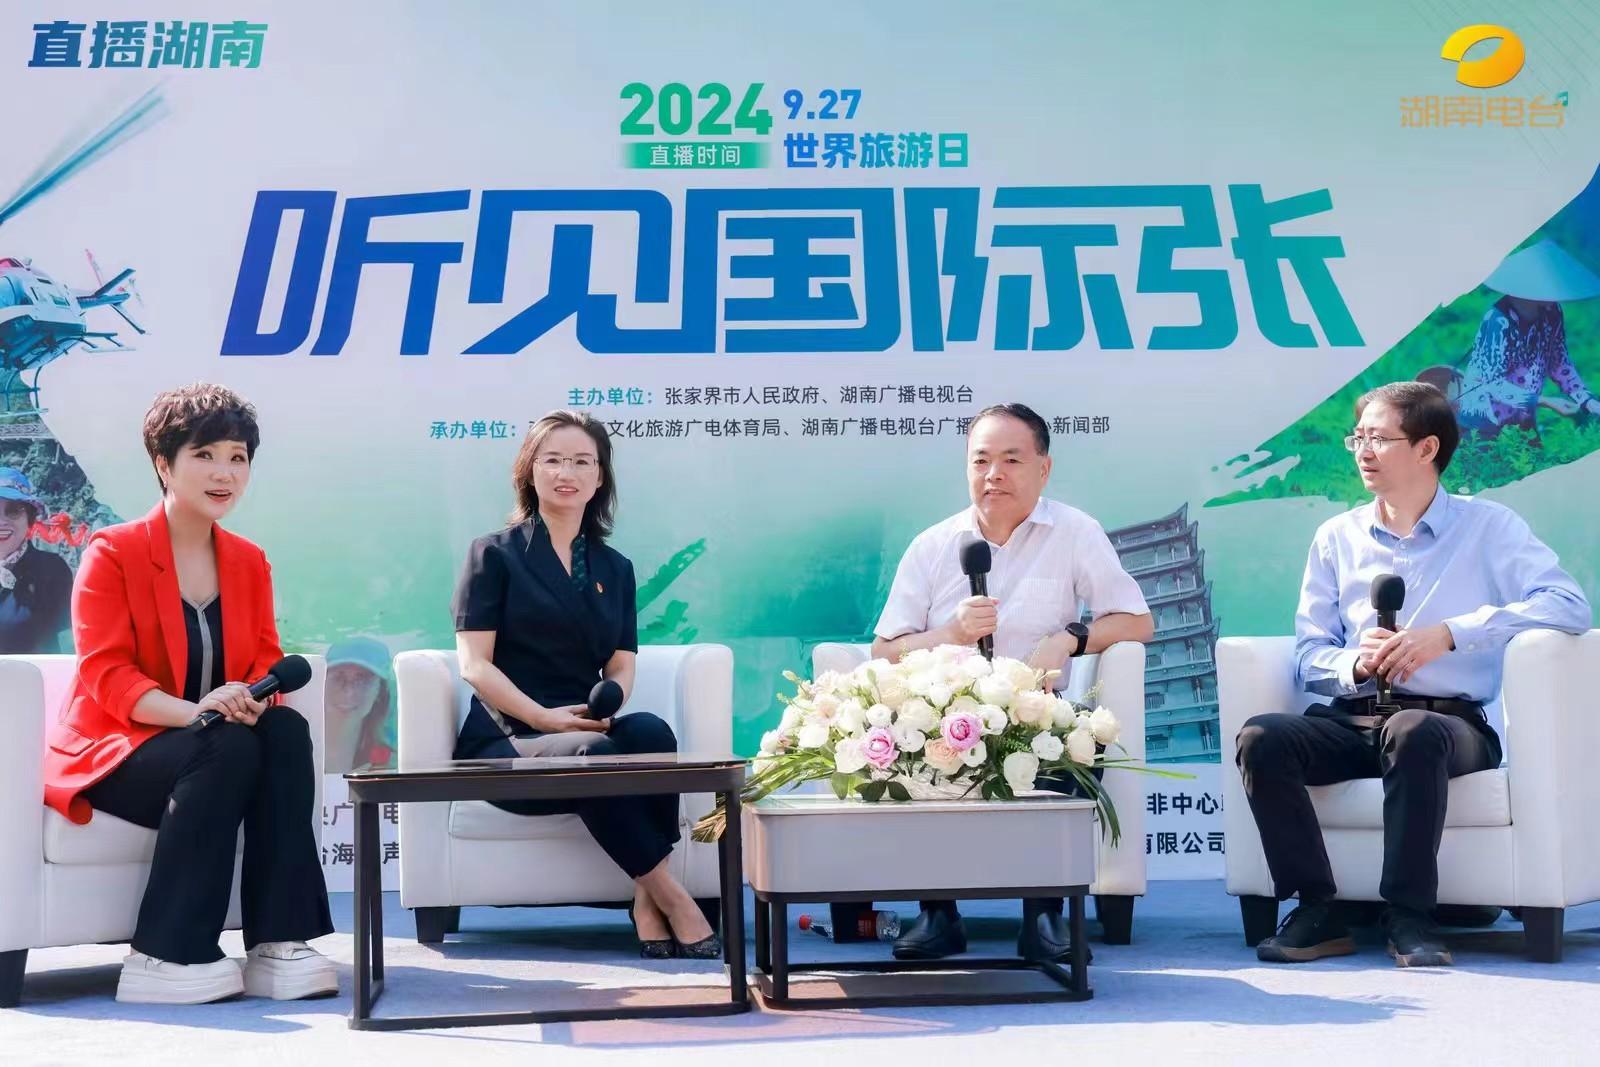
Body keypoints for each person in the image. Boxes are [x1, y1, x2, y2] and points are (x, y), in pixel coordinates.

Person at [1236, 381, 1591, 968]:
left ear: (1427, 449)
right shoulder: (1336, 537)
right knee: (1263, 737)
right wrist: (1354, 662)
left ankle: (1409, 914)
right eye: (1358, 438)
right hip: (1353, 720)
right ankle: (1317, 908)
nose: (1363, 451)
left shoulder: (1489, 526)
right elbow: (1309, 653)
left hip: (1448, 726)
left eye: (1379, 439)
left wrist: (1451, 633)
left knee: (1412, 730)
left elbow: (1568, 604)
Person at [41, 384, 335, 1004]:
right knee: (224, 745)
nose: (225, 473)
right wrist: (198, 713)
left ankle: (280, 943)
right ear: (163, 463)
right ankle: (164, 955)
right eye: (205, 455)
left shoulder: (249, 561)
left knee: (284, 730)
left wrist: (252, 697)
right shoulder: (113, 552)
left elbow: (262, 656)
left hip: (216, 747)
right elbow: (106, 672)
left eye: (238, 457)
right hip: (120, 752)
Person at [870, 402, 1154, 962]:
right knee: (912, 739)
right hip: (948, 715)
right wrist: (950, 634)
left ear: (1043, 469)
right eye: (980, 461)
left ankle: (1043, 915)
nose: (993, 474)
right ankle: (938, 913)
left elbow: (1137, 621)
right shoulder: (933, 545)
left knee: (1070, 739)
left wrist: (1069, 638)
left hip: (1033, 710)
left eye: (1011, 460)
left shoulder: (1074, 531)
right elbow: (884, 650)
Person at [452, 410, 718, 959]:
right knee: (592, 754)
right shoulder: (493, 554)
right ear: (529, 472)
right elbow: (475, 665)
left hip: (583, 724)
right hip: (508, 741)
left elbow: (621, 663)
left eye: (581, 461)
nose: (566, 472)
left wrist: (611, 699)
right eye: (552, 460)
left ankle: (644, 899)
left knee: (650, 732)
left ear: (600, 478)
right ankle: (672, 897)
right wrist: (543, 718)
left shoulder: (614, 567)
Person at [1454, 238, 1600, 439]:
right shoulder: (1497, 320)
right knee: (1488, 457)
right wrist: (1545, 401)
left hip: (1522, 412)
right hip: (1483, 413)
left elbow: (1559, 362)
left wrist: (1585, 399)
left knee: (1528, 454)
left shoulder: (1552, 312)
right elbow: (1491, 382)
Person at [0, 467, 71, 653]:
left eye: (13, 511)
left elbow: (69, 644)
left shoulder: (52, 570)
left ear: (29, 519)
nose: (1, 522)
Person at [323, 636, 395, 773]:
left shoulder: (392, 766)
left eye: (362, 679)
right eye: (338, 677)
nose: (348, 692)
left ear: (379, 691)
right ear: (322, 683)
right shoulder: (290, 747)